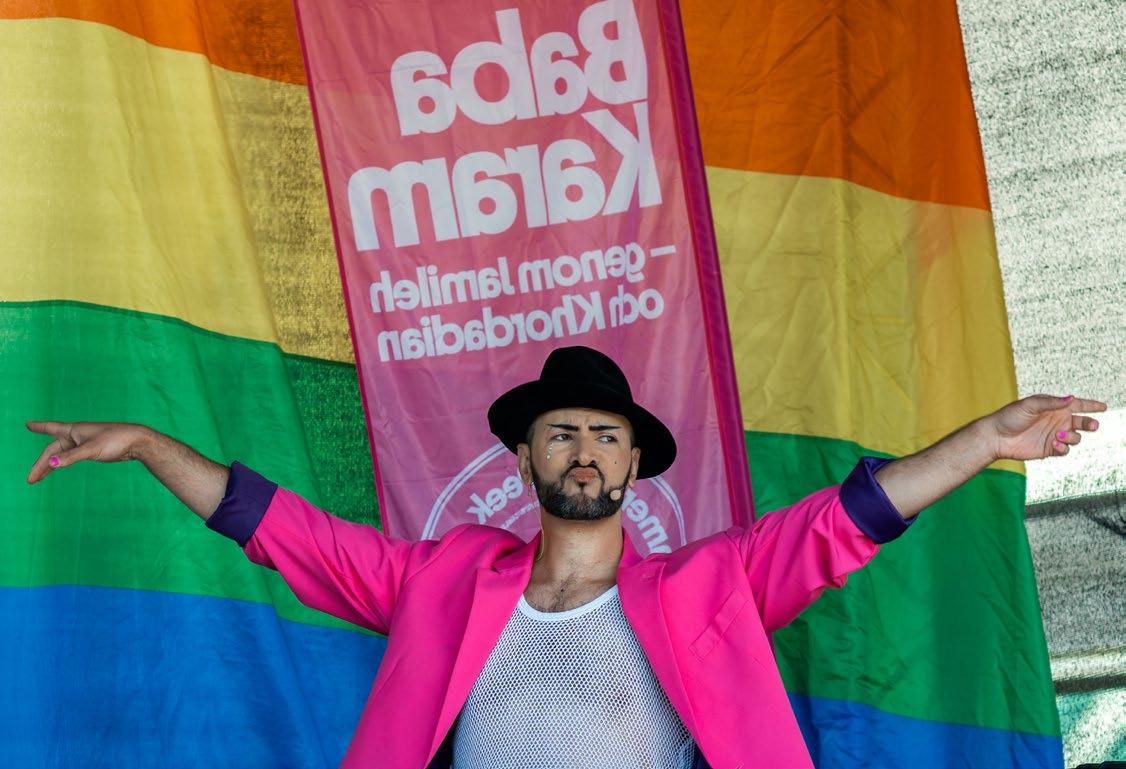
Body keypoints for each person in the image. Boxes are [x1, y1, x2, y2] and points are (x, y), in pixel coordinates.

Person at [25, 346, 1105, 769]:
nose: (583, 450)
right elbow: (291, 537)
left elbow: (847, 518)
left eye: (603, 434)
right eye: (560, 433)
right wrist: (151, 445)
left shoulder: (707, 586)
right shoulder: (444, 580)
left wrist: (983, 441)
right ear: (523, 456)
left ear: (632, 460)